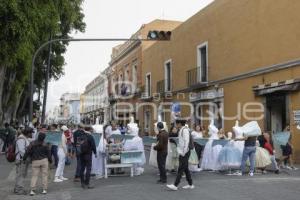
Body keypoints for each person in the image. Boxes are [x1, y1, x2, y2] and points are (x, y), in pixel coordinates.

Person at [167, 119, 194, 191]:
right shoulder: (182, 129)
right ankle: (190, 184)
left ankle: (175, 185)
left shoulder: (184, 130)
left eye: (176, 123)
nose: (175, 125)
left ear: (179, 124)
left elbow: (186, 141)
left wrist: (184, 152)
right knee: (185, 168)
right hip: (183, 151)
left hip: (185, 152)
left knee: (181, 168)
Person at [13, 128, 32, 195]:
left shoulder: (24, 138)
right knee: (20, 175)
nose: (32, 134)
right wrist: (26, 158)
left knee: (21, 175)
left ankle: (17, 188)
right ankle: (19, 190)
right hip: (21, 160)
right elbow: (22, 151)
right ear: (27, 133)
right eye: (31, 133)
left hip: (22, 160)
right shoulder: (21, 139)